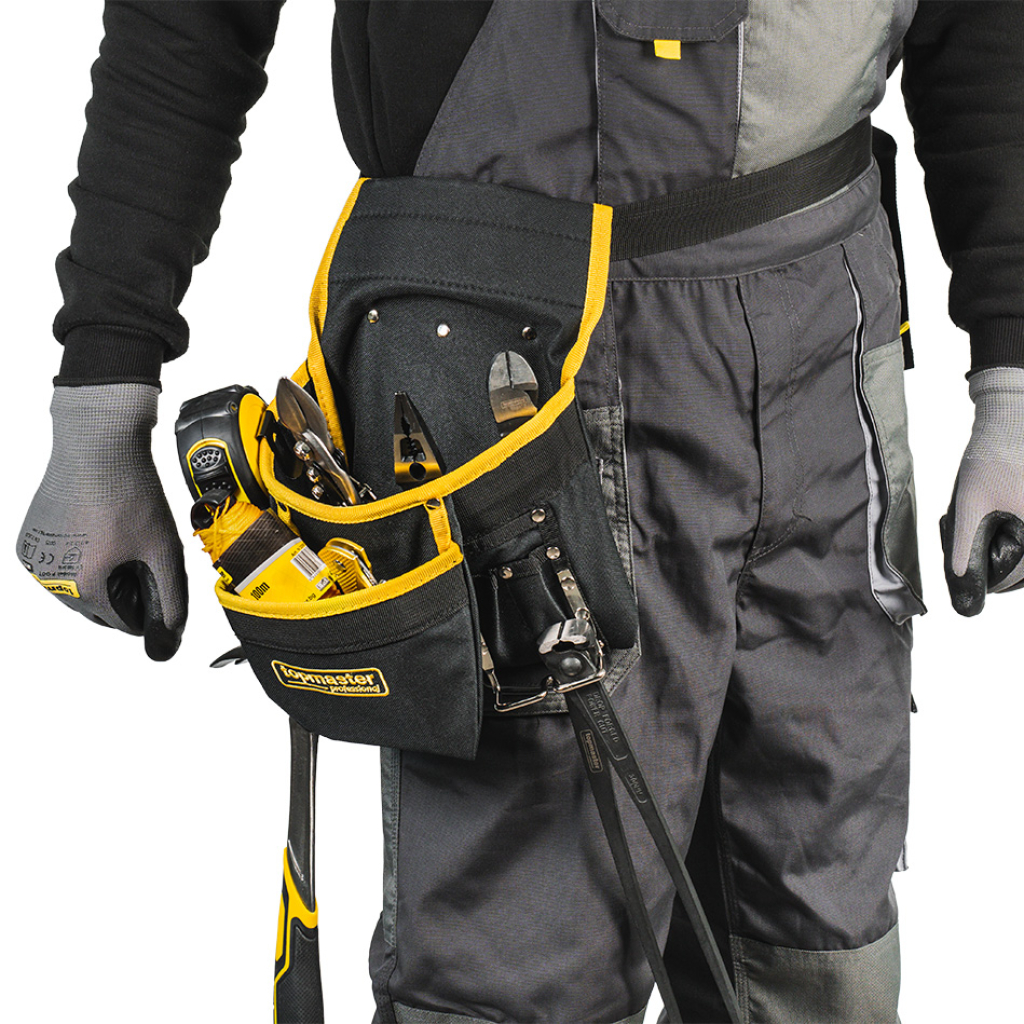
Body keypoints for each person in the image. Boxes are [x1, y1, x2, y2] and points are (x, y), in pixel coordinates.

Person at [15, 2, 1024, 1022]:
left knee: (819, 940)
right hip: (506, 373)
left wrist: (1014, 373)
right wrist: (104, 385)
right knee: (509, 965)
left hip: (826, 345)